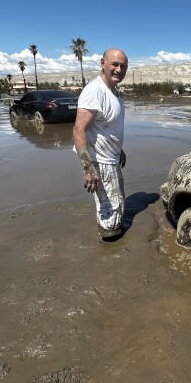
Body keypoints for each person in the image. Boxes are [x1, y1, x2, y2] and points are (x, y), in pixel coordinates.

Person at [72, 48, 128, 241]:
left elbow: (109, 127)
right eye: (115, 64)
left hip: (112, 157)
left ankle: (112, 239)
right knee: (109, 210)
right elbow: (78, 129)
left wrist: (119, 150)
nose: (119, 69)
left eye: (123, 66)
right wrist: (88, 168)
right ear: (103, 63)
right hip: (100, 161)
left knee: (117, 202)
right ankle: (111, 254)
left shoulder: (114, 92)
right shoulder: (94, 91)